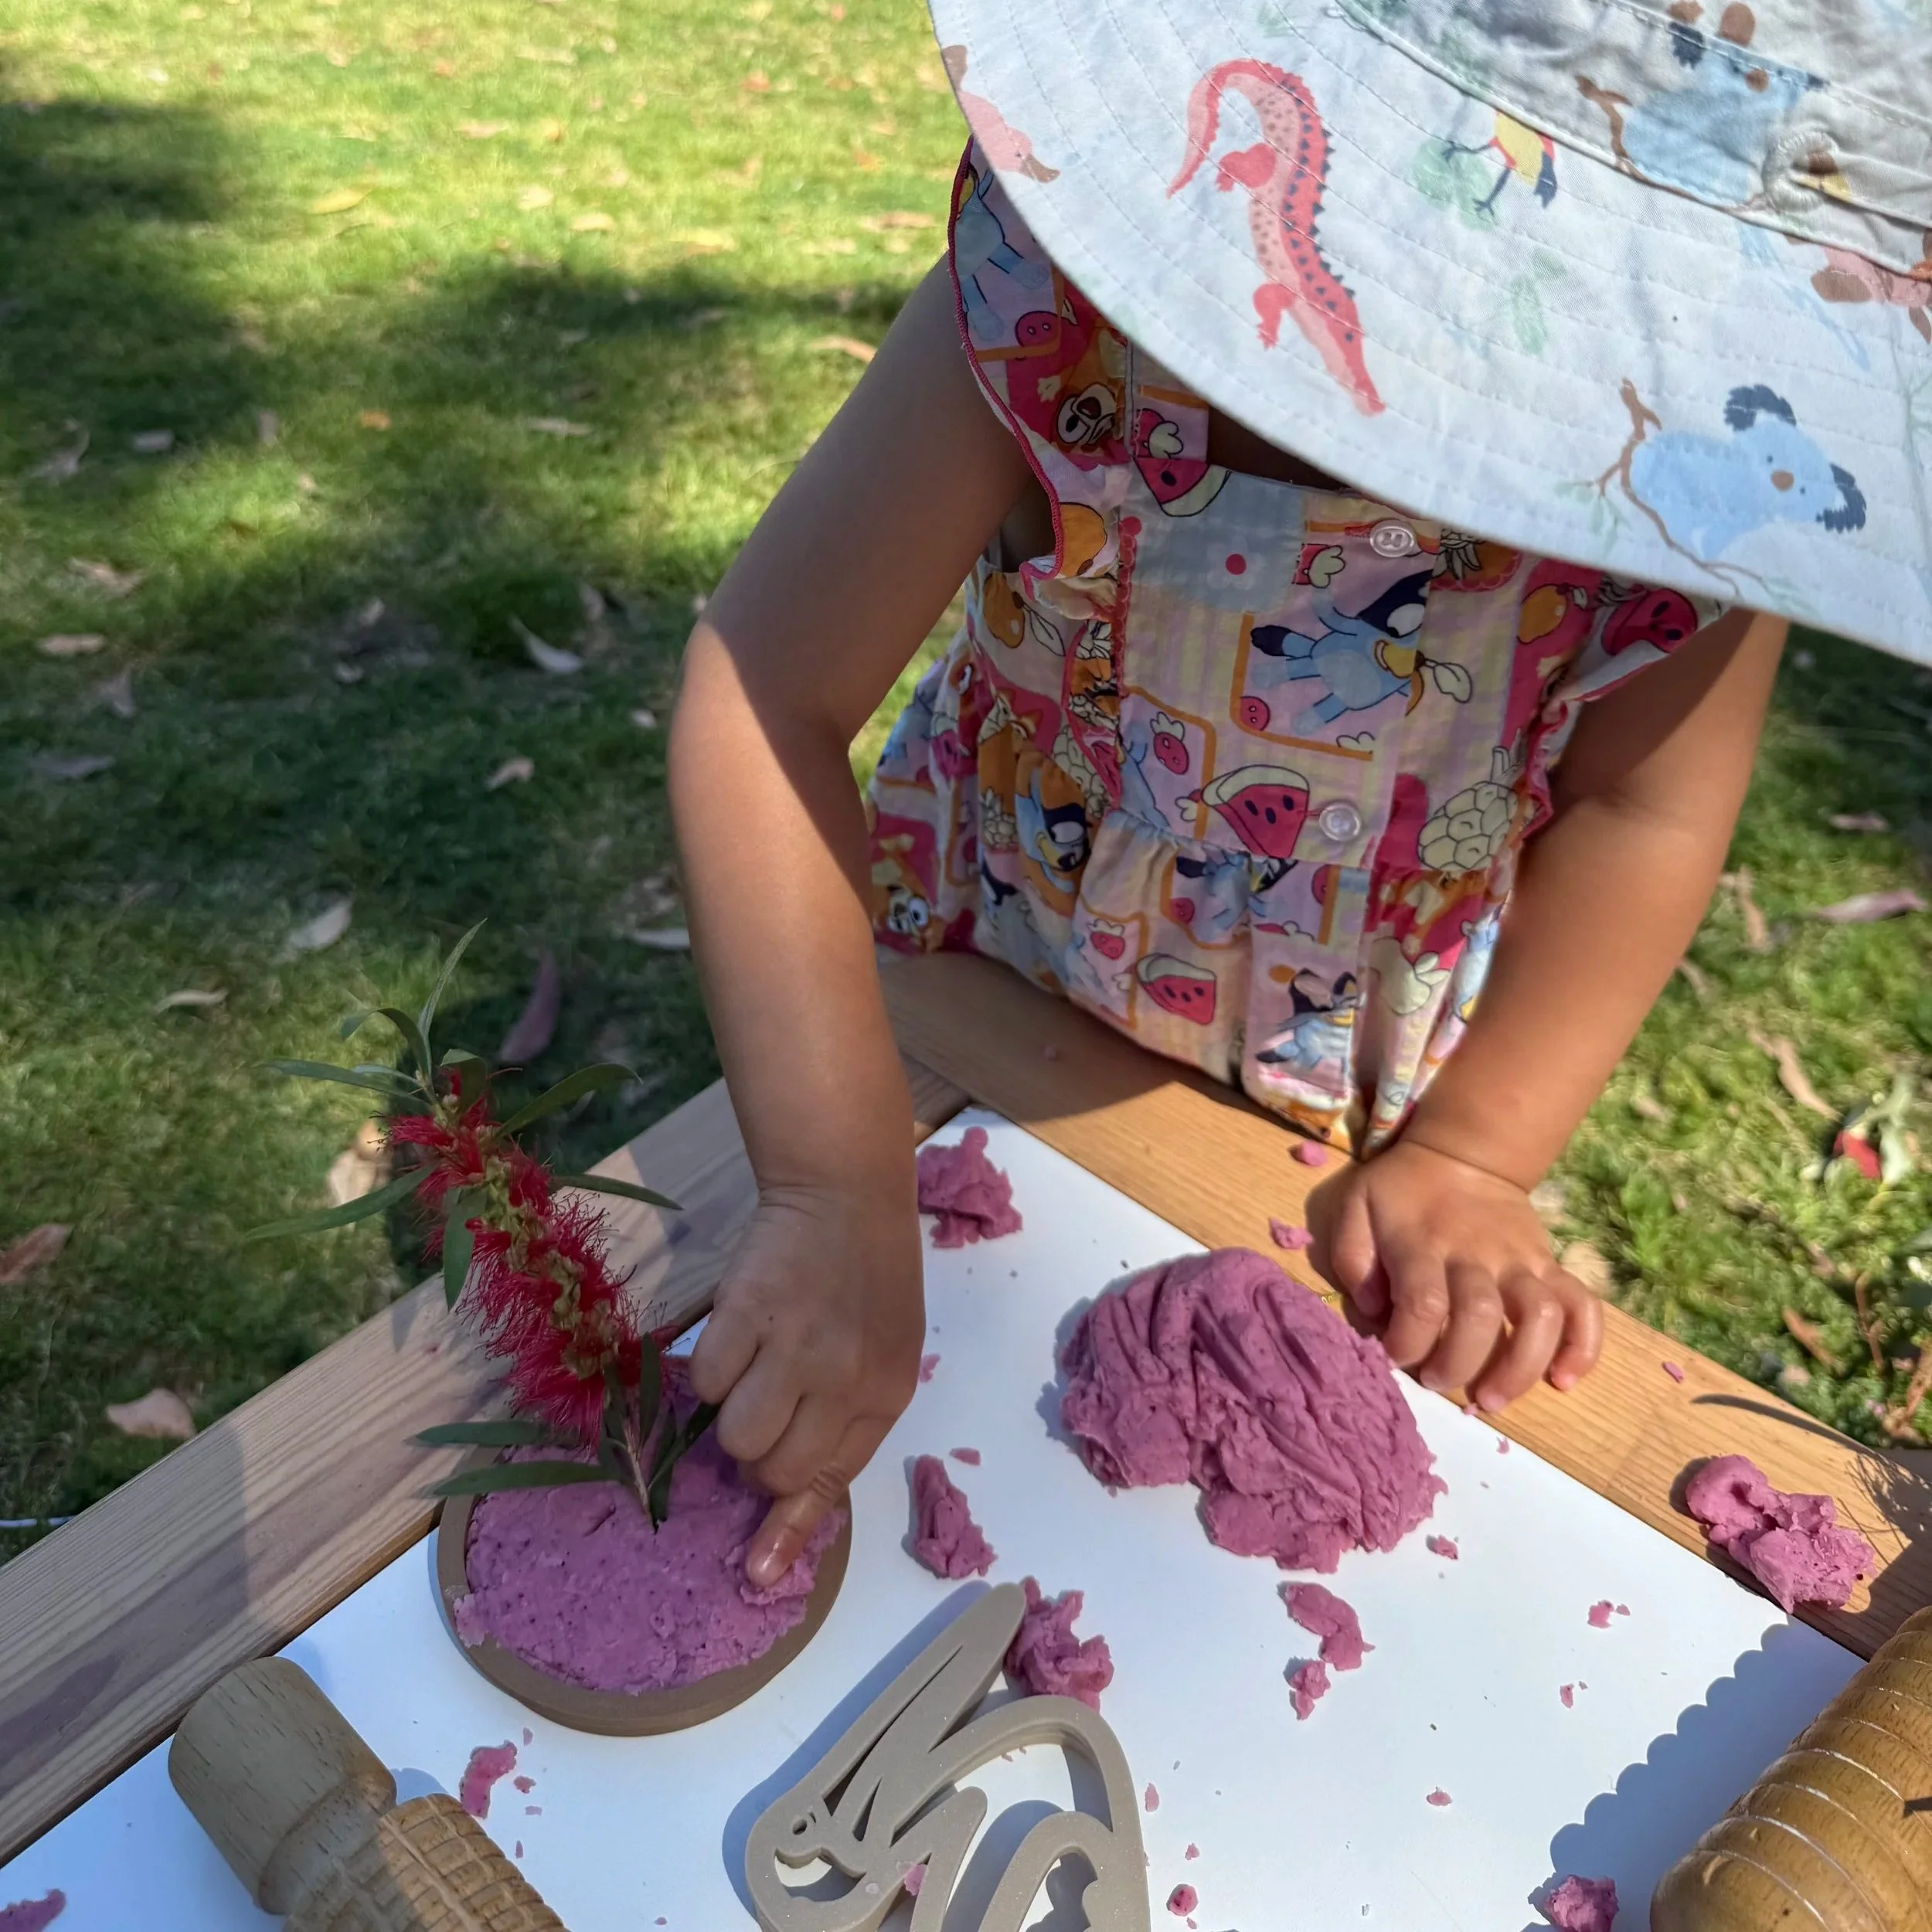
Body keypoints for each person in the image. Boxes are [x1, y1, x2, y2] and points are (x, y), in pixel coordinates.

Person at [669, 0, 1928, 1584]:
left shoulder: (1682, 483)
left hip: (1339, 1091)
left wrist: (1474, 1154)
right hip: (976, 973)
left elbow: (1642, 813)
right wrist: (828, 1172)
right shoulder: (1061, 306)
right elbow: (760, 694)